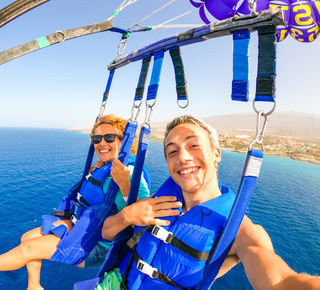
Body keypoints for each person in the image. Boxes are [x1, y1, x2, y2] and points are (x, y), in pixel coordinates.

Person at [95, 115, 320, 290]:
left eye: (193, 145)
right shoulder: (156, 203)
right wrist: (127, 214)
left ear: (216, 153)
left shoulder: (240, 232)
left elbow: (281, 280)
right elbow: (105, 233)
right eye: (172, 151)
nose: (183, 157)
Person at [0, 114, 150, 290]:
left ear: (124, 142)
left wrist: (125, 185)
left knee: (28, 249)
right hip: (85, 226)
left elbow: (146, 213)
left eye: (109, 138)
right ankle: (34, 286)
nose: (101, 143)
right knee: (26, 237)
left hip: (101, 245)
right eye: (97, 138)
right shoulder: (105, 166)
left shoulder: (130, 172)